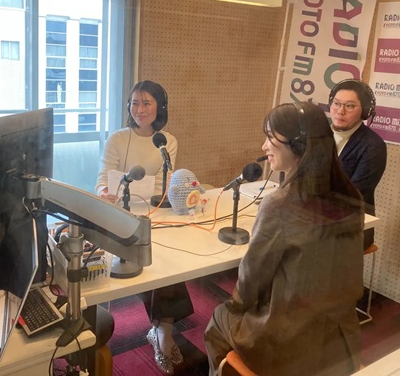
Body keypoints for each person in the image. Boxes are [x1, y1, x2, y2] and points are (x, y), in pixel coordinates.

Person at [204, 102, 364, 376]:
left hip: (288, 346)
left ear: (299, 146)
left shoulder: (279, 206)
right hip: (341, 341)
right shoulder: (351, 199)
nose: (264, 146)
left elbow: (251, 279)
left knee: (220, 316)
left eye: (270, 137)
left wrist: (238, 306)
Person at [95, 80, 193, 375]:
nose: (139, 109)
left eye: (147, 103)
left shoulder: (166, 141)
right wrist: (104, 192)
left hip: (154, 212)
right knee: (151, 259)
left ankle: (162, 329)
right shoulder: (117, 139)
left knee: (168, 260)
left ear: (160, 107)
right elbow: (102, 181)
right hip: (120, 214)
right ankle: (162, 331)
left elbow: (166, 184)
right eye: (134, 103)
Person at [328, 79, 387, 249]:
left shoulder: (373, 146)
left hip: (352, 226)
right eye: (336, 104)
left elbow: (353, 195)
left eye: (350, 106)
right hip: (313, 217)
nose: (340, 111)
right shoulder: (317, 135)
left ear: (365, 111)